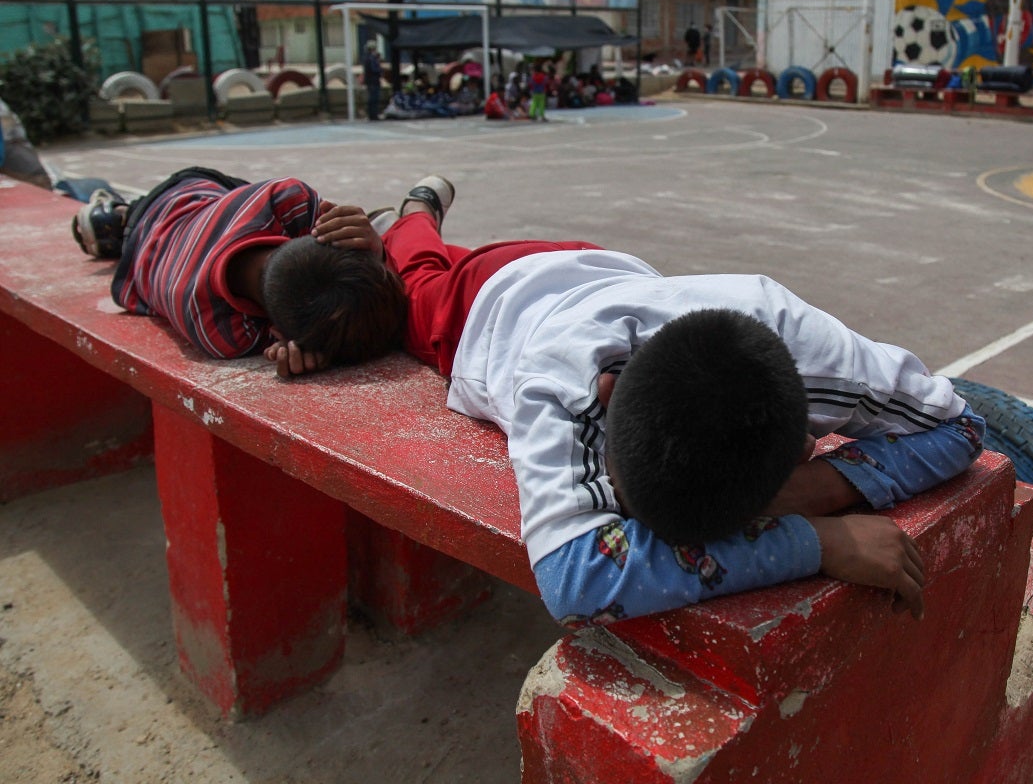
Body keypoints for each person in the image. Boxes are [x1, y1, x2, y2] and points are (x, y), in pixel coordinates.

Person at [300, 174, 985, 627]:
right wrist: (814, 539)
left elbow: (962, 425)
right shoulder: (560, 388)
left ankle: (416, 221)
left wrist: (821, 488)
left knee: (431, 267)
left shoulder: (800, 342)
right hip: (484, 315)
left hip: (597, 268)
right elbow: (573, 580)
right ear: (606, 398)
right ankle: (413, 211)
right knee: (417, 275)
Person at [71, 167, 406, 377]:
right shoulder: (223, 336)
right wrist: (305, 351)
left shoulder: (287, 200)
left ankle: (119, 216)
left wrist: (371, 244)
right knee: (145, 223)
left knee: (219, 196)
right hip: (147, 247)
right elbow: (290, 333)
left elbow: (309, 315)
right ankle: (120, 218)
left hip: (182, 202)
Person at [363, 40, 384, 121]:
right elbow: (374, 69)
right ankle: (373, 115)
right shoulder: (371, 58)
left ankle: (372, 114)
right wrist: (380, 70)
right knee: (374, 98)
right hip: (373, 81)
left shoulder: (367, 58)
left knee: (372, 98)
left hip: (370, 81)